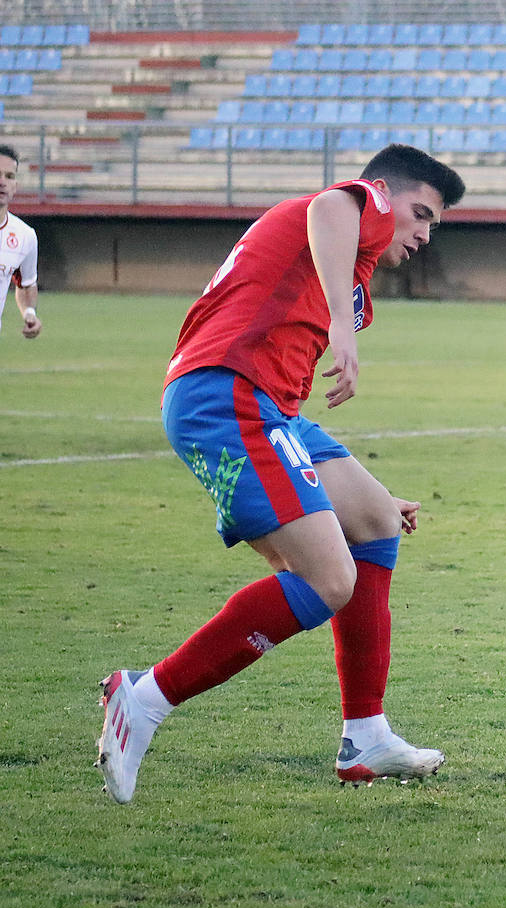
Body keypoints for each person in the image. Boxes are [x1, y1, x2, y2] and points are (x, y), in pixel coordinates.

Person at [96, 145, 466, 803]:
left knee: (376, 519)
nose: (422, 234)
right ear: (385, 193)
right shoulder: (355, 211)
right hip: (225, 397)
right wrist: (340, 329)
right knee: (329, 580)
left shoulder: (351, 275)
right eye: (420, 214)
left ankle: (366, 735)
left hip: (268, 410)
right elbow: (330, 205)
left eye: (433, 224)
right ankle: (144, 697)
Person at [0, 145, 43, 341]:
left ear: (15, 185)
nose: (2, 182)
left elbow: (26, 284)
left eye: (9, 176)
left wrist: (30, 314)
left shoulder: (25, 236)